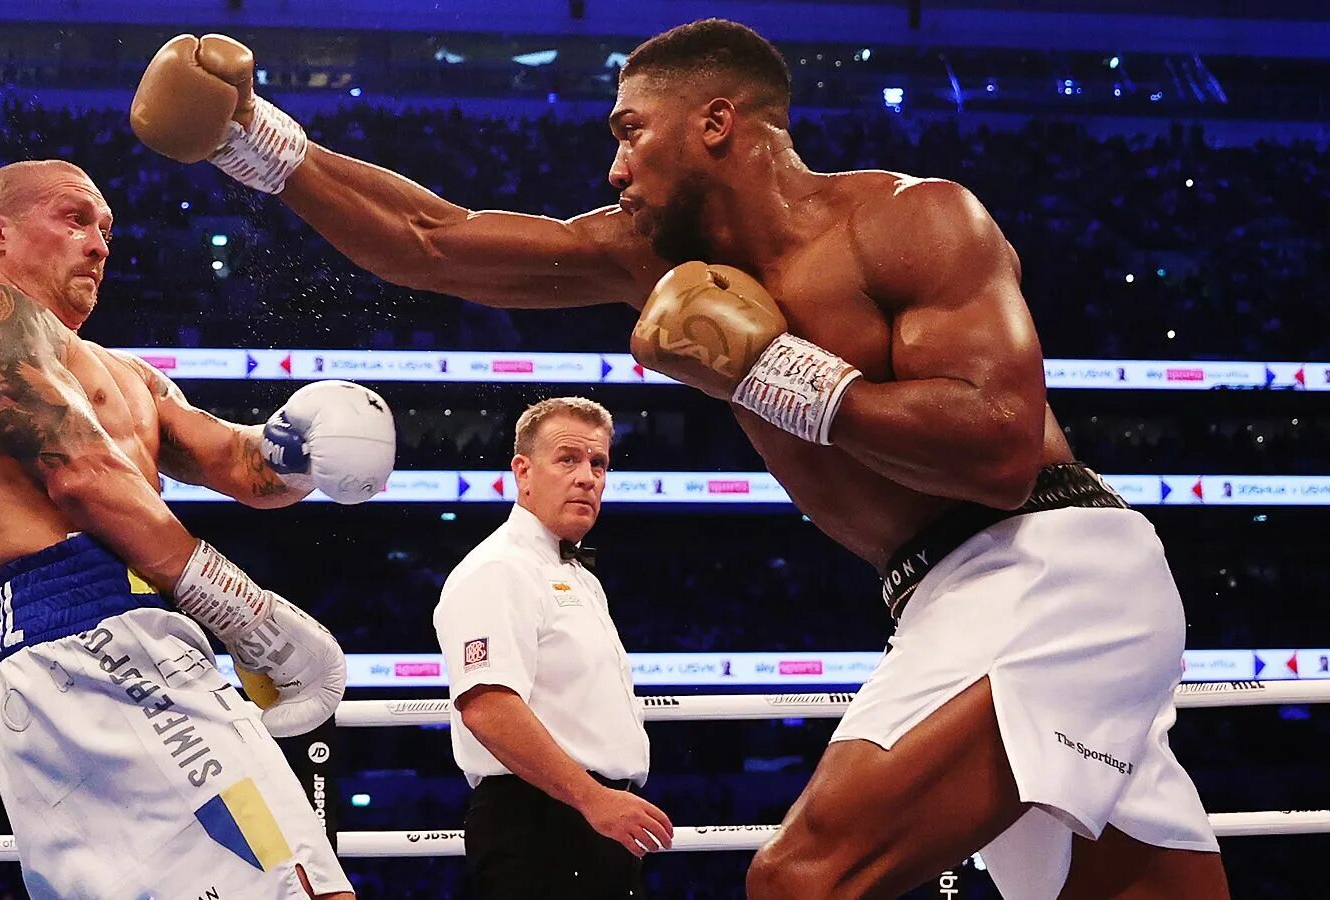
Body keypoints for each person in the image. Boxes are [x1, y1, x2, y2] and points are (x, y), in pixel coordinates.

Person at [132, 21, 1229, 899]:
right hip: (941, 590)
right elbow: (436, 242)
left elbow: (996, 451)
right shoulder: (650, 254)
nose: (613, 165)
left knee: (802, 879)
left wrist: (770, 372)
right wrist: (255, 139)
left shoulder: (911, 221)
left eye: (631, 132)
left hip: (1049, 566)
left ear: (715, 122)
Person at [0, 159, 397, 899]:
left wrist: (304, 448)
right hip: (104, 649)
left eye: (106, 229)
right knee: (301, 888)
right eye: (75, 219)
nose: (99, 244)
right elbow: (82, 474)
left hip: (81, 664)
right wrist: (248, 615)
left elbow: (236, 463)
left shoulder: (127, 375)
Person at [434, 397, 670, 899]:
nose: (587, 477)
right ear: (523, 472)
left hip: (589, 822)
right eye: (568, 459)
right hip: (542, 824)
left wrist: (600, 804)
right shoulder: (499, 569)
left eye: (598, 464)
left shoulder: (577, 577)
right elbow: (487, 708)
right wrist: (593, 799)